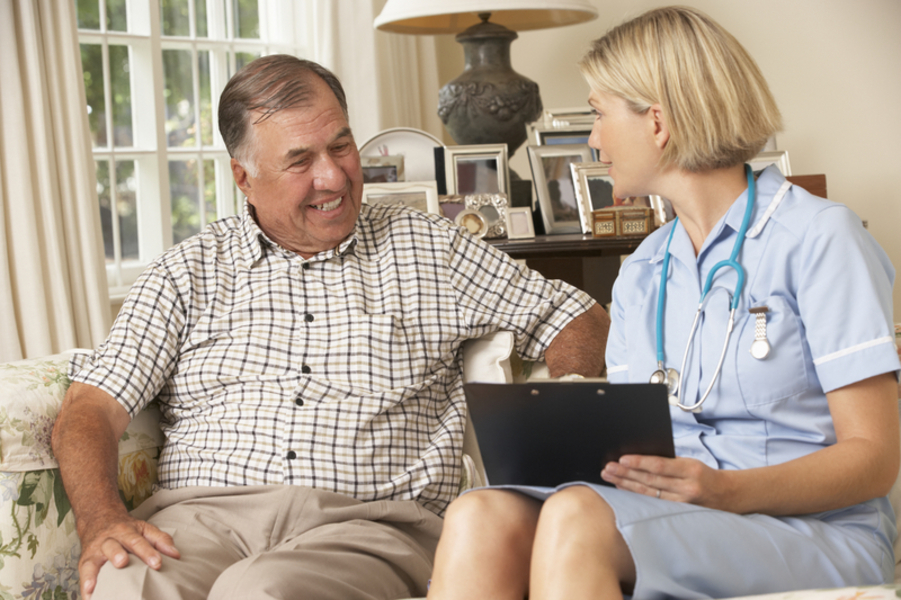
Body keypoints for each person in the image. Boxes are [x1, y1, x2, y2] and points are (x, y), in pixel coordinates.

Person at [51, 55, 609, 600]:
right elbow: (90, 410)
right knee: (122, 581)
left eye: (341, 146)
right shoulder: (187, 272)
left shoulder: (428, 247)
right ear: (244, 178)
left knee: (261, 591)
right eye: (300, 161)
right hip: (202, 519)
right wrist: (100, 521)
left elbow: (576, 317)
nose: (332, 176)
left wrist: (560, 433)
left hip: (370, 527)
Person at [428, 7, 900, 600]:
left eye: (598, 114)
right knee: (481, 516)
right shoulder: (645, 268)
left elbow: (875, 459)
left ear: (657, 122)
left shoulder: (820, 239)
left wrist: (726, 491)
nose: (592, 138)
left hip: (811, 530)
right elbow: (634, 443)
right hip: (678, 513)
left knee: (578, 519)